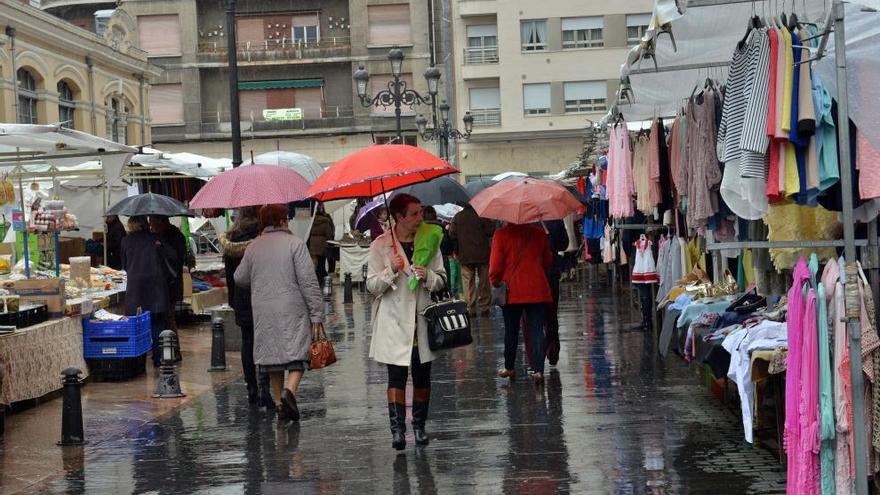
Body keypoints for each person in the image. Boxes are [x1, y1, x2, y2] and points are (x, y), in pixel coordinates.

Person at [367, 193, 447, 450]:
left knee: (423, 376)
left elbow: (442, 279)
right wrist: (390, 269)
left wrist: (429, 276)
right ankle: (397, 430)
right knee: (396, 376)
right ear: (399, 217)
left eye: (421, 212)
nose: (420, 218)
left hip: (422, 319)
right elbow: (371, 286)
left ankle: (420, 427)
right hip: (394, 322)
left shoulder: (430, 240)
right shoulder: (380, 245)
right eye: (414, 214)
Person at [234, 204, 324, 422]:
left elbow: (240, 277)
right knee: (298, 354)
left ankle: (278, 402)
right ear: (283, 220)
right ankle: (289, 392)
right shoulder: (295, 243)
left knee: (272, 357)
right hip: (292, 307)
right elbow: (308, 281)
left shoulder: (254, 246)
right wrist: (317, 314)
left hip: (263, 309)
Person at [490, 221, 553, 384]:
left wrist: (495, 281)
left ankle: (509, 367)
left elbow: (495, 267)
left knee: (511, 330)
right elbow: (548, 261)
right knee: (537, 330)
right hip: (536, 288)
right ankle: (539, 370)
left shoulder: (501, 235)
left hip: (512, 290)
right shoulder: (539, 234)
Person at [219, 206, 264, 406]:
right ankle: (265, 385)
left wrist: (233, 299)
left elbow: (229, 276)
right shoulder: (262, 236)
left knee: (247, 341)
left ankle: (251, 386)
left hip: (241, 296)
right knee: (264, 341)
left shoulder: (231, 238)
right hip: (264, 295)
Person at [120, 216, 177, 368]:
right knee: (157, 322)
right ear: (145, 224)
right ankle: (158, 358)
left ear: (131, 225)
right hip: (156, 287)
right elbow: (173, 256)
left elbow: (124, 265)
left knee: (137, 324)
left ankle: (138, 361)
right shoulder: (156, 239)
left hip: (135, 288)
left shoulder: (126, 241)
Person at [450, 203, 495, 315]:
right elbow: (491, 231)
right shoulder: (481, 216)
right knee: (484, 281)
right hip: (482, 254)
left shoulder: (458, 217)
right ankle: (484, 306)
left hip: (465, 255)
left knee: (468, 281)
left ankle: (471, 308)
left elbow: (452, 234)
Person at [149, 216, 187, 327]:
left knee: (168, 319)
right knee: (165, 319)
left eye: (152, 222)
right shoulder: (164, 235)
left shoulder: (174, 236)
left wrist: (160, 246)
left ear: (160, 222)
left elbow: (176, 258)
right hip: (164, 284)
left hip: (170, 284)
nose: (150, 226)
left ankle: (172, 344)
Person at [308, 204, 335, 282]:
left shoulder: (312, 221)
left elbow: (309, 233)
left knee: (315, 262)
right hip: (322, 245)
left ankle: (317, 276)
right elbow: (329, 234)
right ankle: (321, 277)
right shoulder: (326, 221)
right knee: (322, 262)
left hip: (313, 244)